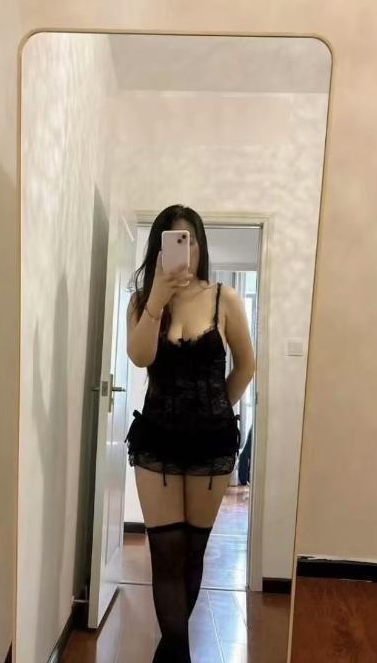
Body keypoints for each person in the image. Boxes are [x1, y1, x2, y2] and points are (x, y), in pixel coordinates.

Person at [124, 204, 256, 662]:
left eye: (192, 239)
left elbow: (247, 365)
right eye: (176, 241)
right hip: (155, 442)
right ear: (159, 249)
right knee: (165, 554)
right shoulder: (143, 302)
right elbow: (140, 358)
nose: (187, 249)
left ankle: (170, 654)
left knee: (192, 555)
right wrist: (157, 299)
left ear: (201, 245)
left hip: (211, 445)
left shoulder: (225, 299)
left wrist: (216, 410)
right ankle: (178, 655)